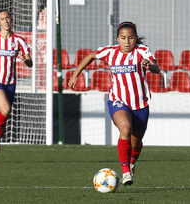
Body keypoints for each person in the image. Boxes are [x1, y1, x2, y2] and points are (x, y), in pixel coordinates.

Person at [68, 21, 160, 185]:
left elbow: (156, 68)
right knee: (125, 128)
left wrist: (149, 65)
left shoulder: (142, 50)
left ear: (135, 38)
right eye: (123, 38)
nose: (127, 41)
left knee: (136, 143)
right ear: (117, 38)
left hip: (140, 104)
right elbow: (90, 56)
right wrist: (76, 74)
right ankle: (125, 173)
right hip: (118, 100)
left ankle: (131, 163)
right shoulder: (109, 52)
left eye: (131, 38)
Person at [0, 9, 32, 162]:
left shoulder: (19, 40)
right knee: (6, 109)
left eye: (8, 18)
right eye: (2, 19)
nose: (6, 21)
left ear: (11, 20)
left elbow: (30, 62)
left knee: (5, 115)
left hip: (10, 82)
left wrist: (25, 60)